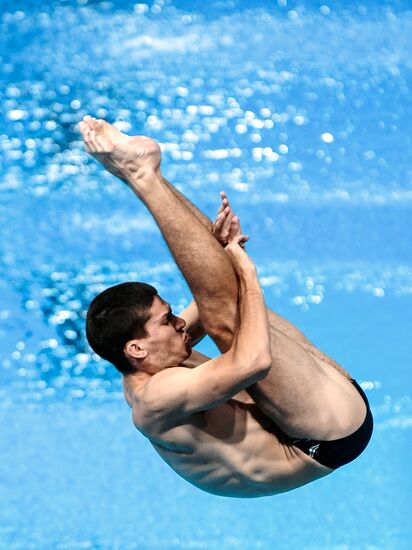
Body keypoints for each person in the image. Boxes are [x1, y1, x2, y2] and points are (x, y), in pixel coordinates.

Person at [79, 115, 373, 498]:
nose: (180, 323)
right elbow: (253, 362)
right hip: (318, 439)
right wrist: (246, 269)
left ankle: (147, 173)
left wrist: (225, 248)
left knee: (224, 300)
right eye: (167, 321)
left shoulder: (149, 357)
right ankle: (140, 175)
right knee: (228, 316)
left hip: (304, 407)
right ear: (136, 348)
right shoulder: (156, 399)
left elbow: (213, 296)